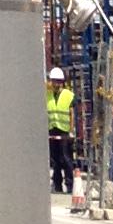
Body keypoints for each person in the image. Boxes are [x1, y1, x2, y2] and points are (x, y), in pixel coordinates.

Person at [44, 64, 77, 195]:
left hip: (64, 130)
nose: (55, 84)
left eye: (57, 81)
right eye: (53, 81)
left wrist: (71, 130)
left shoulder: (68, 95)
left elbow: (72, 113)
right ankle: (57, 184)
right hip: (52, 130)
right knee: (55, 159)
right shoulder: (47, 95)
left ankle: (69, 185)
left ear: (62, 82)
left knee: (66, 158)